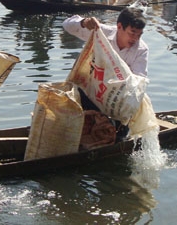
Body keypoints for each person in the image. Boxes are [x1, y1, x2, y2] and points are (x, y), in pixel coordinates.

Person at [63, 7, 148, 141]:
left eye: (139, 35)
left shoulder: (141, 49)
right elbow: (67, 24)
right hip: (89, 90)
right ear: (119, 26)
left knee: (119, 135)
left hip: (116, 97)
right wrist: (84, 22)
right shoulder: (101, 32)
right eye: (132, 33)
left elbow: (139, 79)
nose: (135, 39)